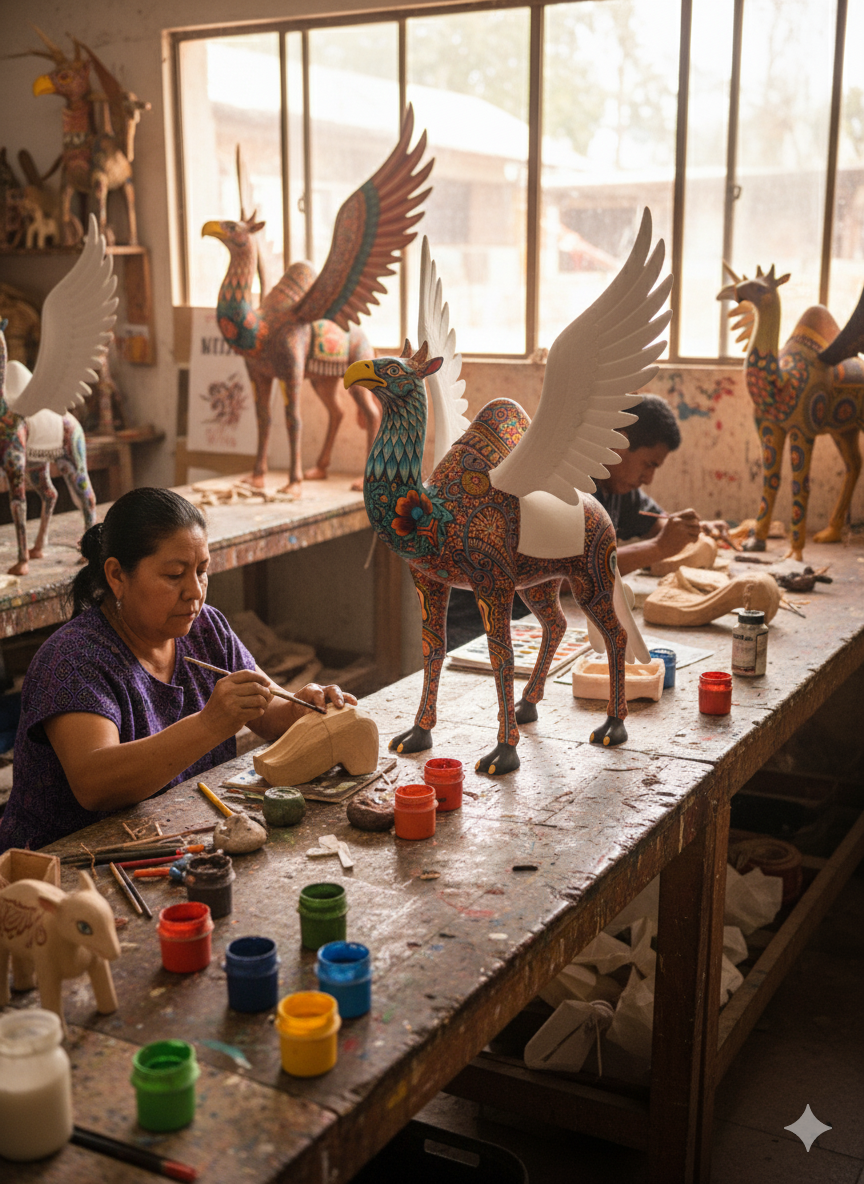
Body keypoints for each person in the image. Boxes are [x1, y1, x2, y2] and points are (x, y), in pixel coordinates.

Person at [0, 487, 355, 853]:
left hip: (171, 837)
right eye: (174, 575)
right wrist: (210, 724)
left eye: (202, 571)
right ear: (117, 576)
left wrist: (303, 707)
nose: (194, 592)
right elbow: (95, 784)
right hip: (65, 865)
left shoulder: (205, 628)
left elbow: (268, 713)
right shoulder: (74, 658)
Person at [594, 395, 731, 576]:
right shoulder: (571, 486)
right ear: (619, 443)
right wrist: (658, 548)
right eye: (649, 464)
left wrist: (691, 529)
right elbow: (570, 573)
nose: (648, 479)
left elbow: (657, 524)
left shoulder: (619, 487)